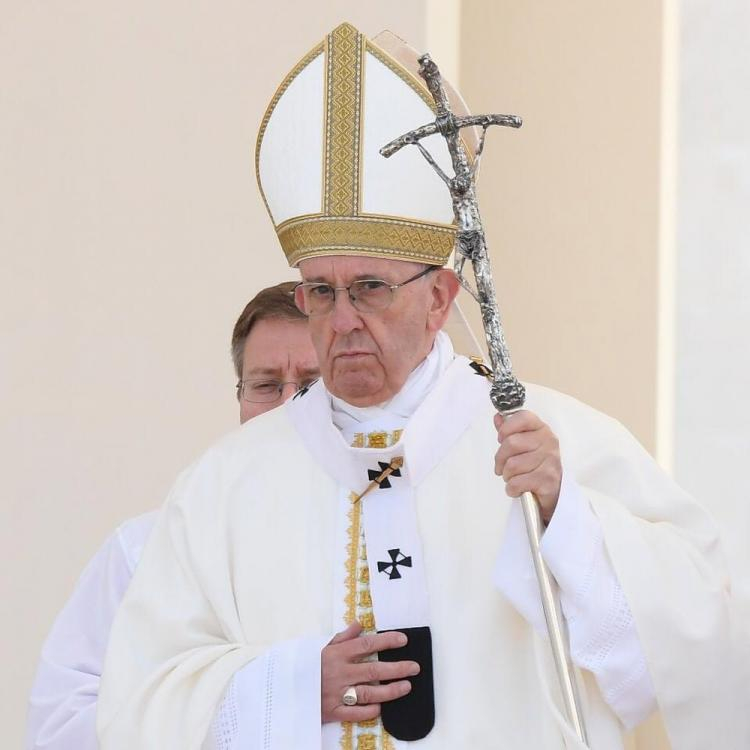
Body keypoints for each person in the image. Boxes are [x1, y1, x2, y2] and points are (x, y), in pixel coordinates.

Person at [97, 23, 747, 750]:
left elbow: (706, 630)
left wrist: (568, 518)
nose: (341, 321)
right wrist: (284, 686)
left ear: (440, 297)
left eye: (369, 288)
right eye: (319, 292)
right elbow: (135, 706)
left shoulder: (551, 444)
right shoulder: (224, 486)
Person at [25, 282, 319, 750]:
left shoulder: (381, 542)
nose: (285, 406)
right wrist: (278, 693)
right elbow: (59, 728)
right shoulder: (144, 548)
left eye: (311, 385)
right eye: (266, 385)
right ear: (240, 395)